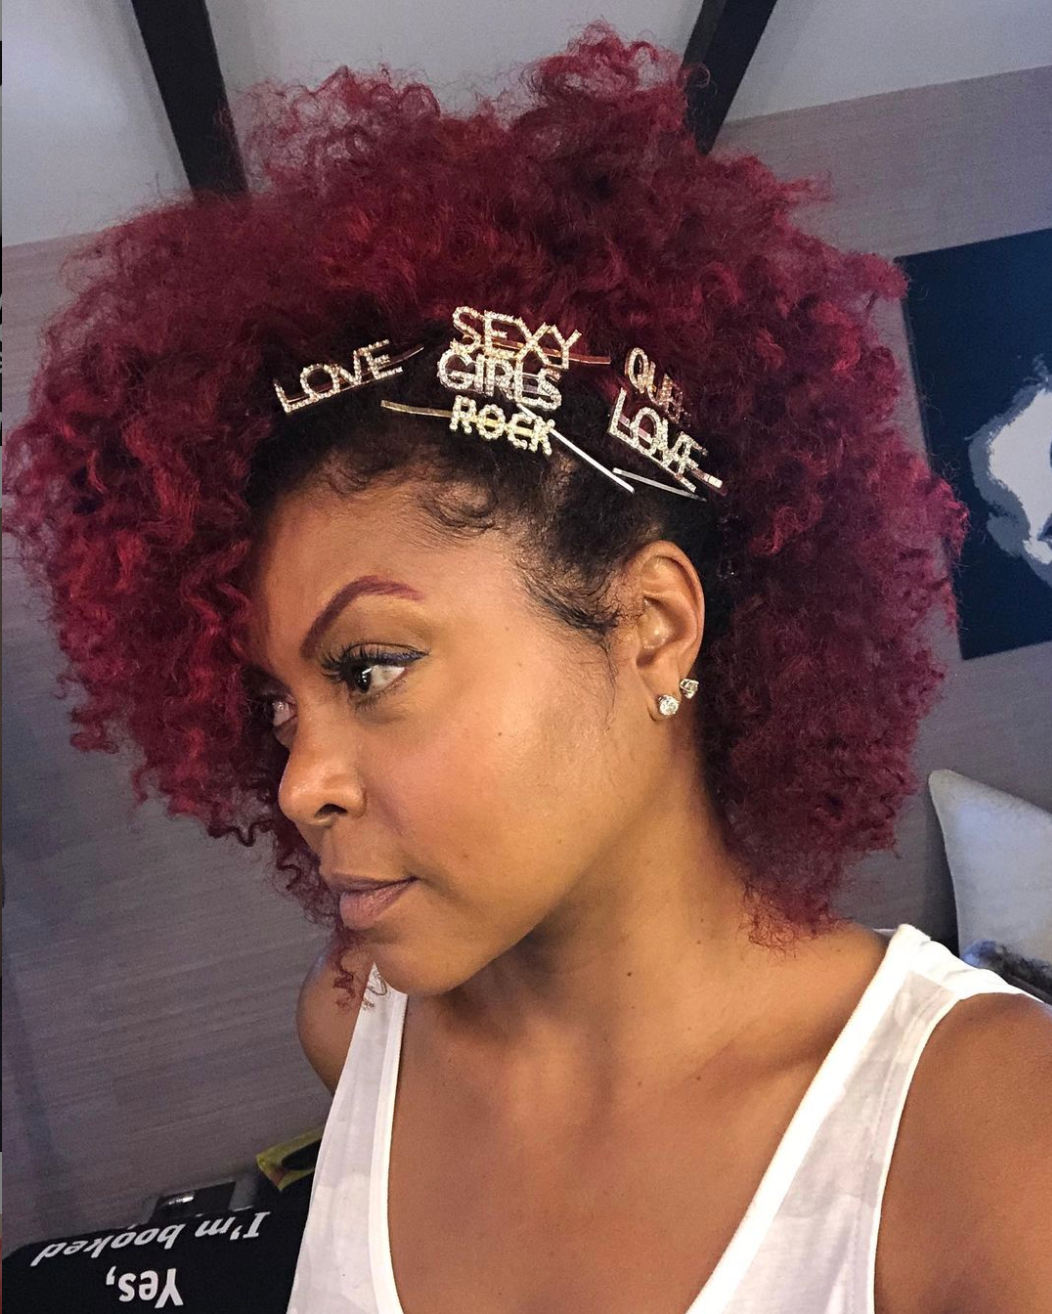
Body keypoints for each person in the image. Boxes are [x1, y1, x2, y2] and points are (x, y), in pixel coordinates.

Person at [4, 23, 1049, 1314]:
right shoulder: (359, 1028)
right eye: (278, 704)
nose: (299, 784)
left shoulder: (987, 1139)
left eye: (370, 665)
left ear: (652, 624)